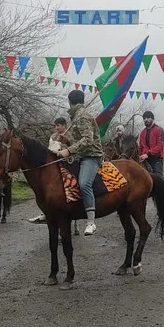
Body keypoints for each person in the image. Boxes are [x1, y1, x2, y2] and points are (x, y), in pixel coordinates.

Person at [57, 90, 105, 235]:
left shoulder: (82, 116)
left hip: (92, 156)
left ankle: (91, 222)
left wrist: (69, 150)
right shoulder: (75, 116)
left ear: (70, 101)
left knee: (84, 183)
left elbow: (88, 140)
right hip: (80, 155)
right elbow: (79, 141)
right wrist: (67, 140)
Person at [28, 118, 70, 223]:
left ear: (64, 125)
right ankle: (44, 212)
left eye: (58, 125)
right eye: (55, 126)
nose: (56, 128)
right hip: (52, 162)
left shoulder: (69, 134)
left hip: (66, 162)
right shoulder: (52, 136)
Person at [137, 111, 164, 178]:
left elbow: (160, 145)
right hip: (144, 158)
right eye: (144, 118)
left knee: (158, 177)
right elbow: (140, 146)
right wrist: (140, 155)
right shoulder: (142, 132)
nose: (146, 120)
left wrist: (148, 154)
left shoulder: (159, 130)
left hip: (156, 158)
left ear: (152, 118)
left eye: (148, 118)